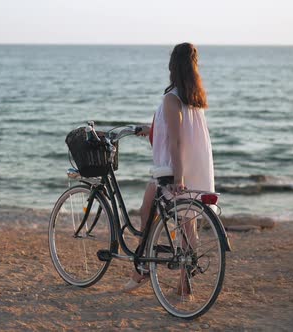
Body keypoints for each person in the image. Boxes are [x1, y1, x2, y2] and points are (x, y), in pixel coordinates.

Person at [122, 42, 215, 295]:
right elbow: (180, 131)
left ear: (173, 65)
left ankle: (140, 268)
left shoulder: (171, 98)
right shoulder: (193, 97)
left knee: (146, 211)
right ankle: (184, 285)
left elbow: (175, 141)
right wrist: (148, 129)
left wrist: (178, 176)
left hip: (172, 170)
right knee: (188, 225)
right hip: (196, 166)